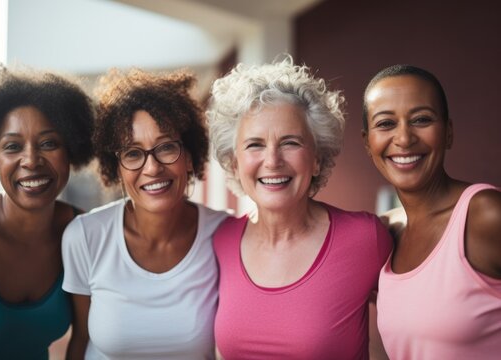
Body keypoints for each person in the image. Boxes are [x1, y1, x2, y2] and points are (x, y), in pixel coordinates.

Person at [206, 56, 393, 359]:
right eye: (255, 144)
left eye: (290, 142)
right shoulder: (220, 240)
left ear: (317, 157)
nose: (272, 161)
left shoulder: (365, 239)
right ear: (234, 162)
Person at [61, 68, 228, 359]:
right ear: (117, 168)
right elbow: (80, 340)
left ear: (189, 157)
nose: (152, 168)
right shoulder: (85, 236)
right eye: (133, 153)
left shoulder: (224, 234)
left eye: (165, 148)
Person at [362, 64, 501, 359]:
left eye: (421, 119)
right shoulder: (384, 236)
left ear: (448, 133)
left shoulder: (485, 214)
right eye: (386, 123)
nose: (404, 138)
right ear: (367, 143)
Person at [0, 65, 95, 359]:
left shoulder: (83, 231)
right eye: (12, 146)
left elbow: (84, 338)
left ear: (71, 149)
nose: (31, 160)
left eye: (49, 143)